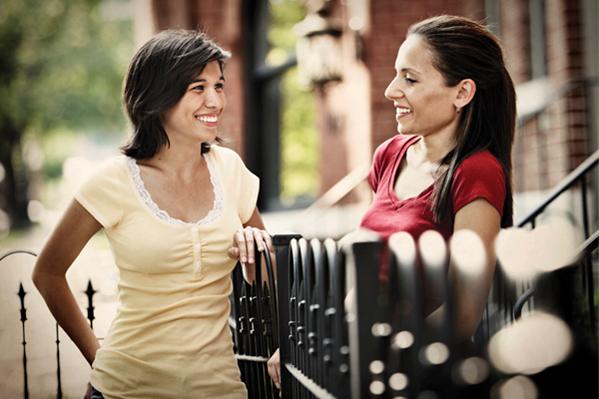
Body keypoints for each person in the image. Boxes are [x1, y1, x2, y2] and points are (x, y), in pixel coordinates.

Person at [267, 14, 515, 388]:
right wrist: (310, 343)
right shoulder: (390, 154)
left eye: (410, 79)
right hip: (345, 366)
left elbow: (463, 313)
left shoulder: (476, 172)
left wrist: (381, 360)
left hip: (404, 378)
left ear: (462, 93)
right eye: (397, 74)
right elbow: (368, 268)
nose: (391, 90)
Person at [32, 30, 270, 399]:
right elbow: (47, 272)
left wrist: (255, 249)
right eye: (197, 88)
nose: (215, 101)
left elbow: (265, 280)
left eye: (219, 86)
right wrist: (98, 358)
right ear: (158, 97)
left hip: (219, 389)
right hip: (125, 391)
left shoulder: (230, 171)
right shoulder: (112, 180)